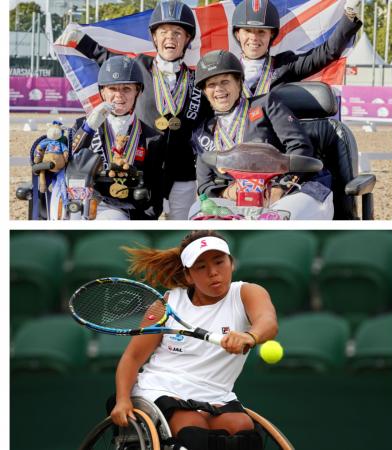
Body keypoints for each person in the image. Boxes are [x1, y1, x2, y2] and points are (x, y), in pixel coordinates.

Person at [110, 230, 278, 449]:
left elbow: (268, 321)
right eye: (201, 267)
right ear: (188, 276)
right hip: (161, 388)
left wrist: (250, 336)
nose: (213, 273)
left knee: (243, 429)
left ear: (231, 263)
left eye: (219, 262)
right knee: (192, 428)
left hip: (216, 395)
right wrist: (122, 399)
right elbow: (132, 357)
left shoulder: (247, 293)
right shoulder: (165, 304)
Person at [58, 0, 213, 220]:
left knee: (180, 228)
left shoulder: (198, 81)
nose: (170, 37)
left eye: (178, 32)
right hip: (141, 170)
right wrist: (80, 40)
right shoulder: (138, 66)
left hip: (183, 174)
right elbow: (108, 61)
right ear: (154, 37)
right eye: (164, 32)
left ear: (188, 39)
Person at [191, 50, 334, 220]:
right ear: (205, 92)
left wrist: (280, 188)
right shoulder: (203, 132)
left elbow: (300, 147)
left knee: (278, 219)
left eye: (225, 82)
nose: (219, 89)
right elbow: (205, 185)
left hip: (289, 190)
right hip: (235, 199)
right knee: (198, 214)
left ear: (239, 83)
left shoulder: (266, 105)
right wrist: (230, 192)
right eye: (211, 85)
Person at [60, 56, 164, 220]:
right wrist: (88, 129)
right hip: (80, 204)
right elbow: (65, 161)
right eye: (112, 89)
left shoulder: (152, 138)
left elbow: (155, 193)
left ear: (138, 91)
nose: (119, 95)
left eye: (126, 89)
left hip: (123, 211)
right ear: (102, 91)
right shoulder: (82, 126)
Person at [231, 0, 362, 98]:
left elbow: (328, 51)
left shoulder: (286, 65)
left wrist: (350, 13)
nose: (254, 37)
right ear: (237, 34)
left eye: (261, 32)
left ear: (271, 35)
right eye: (247, 31)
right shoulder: (226, 69)